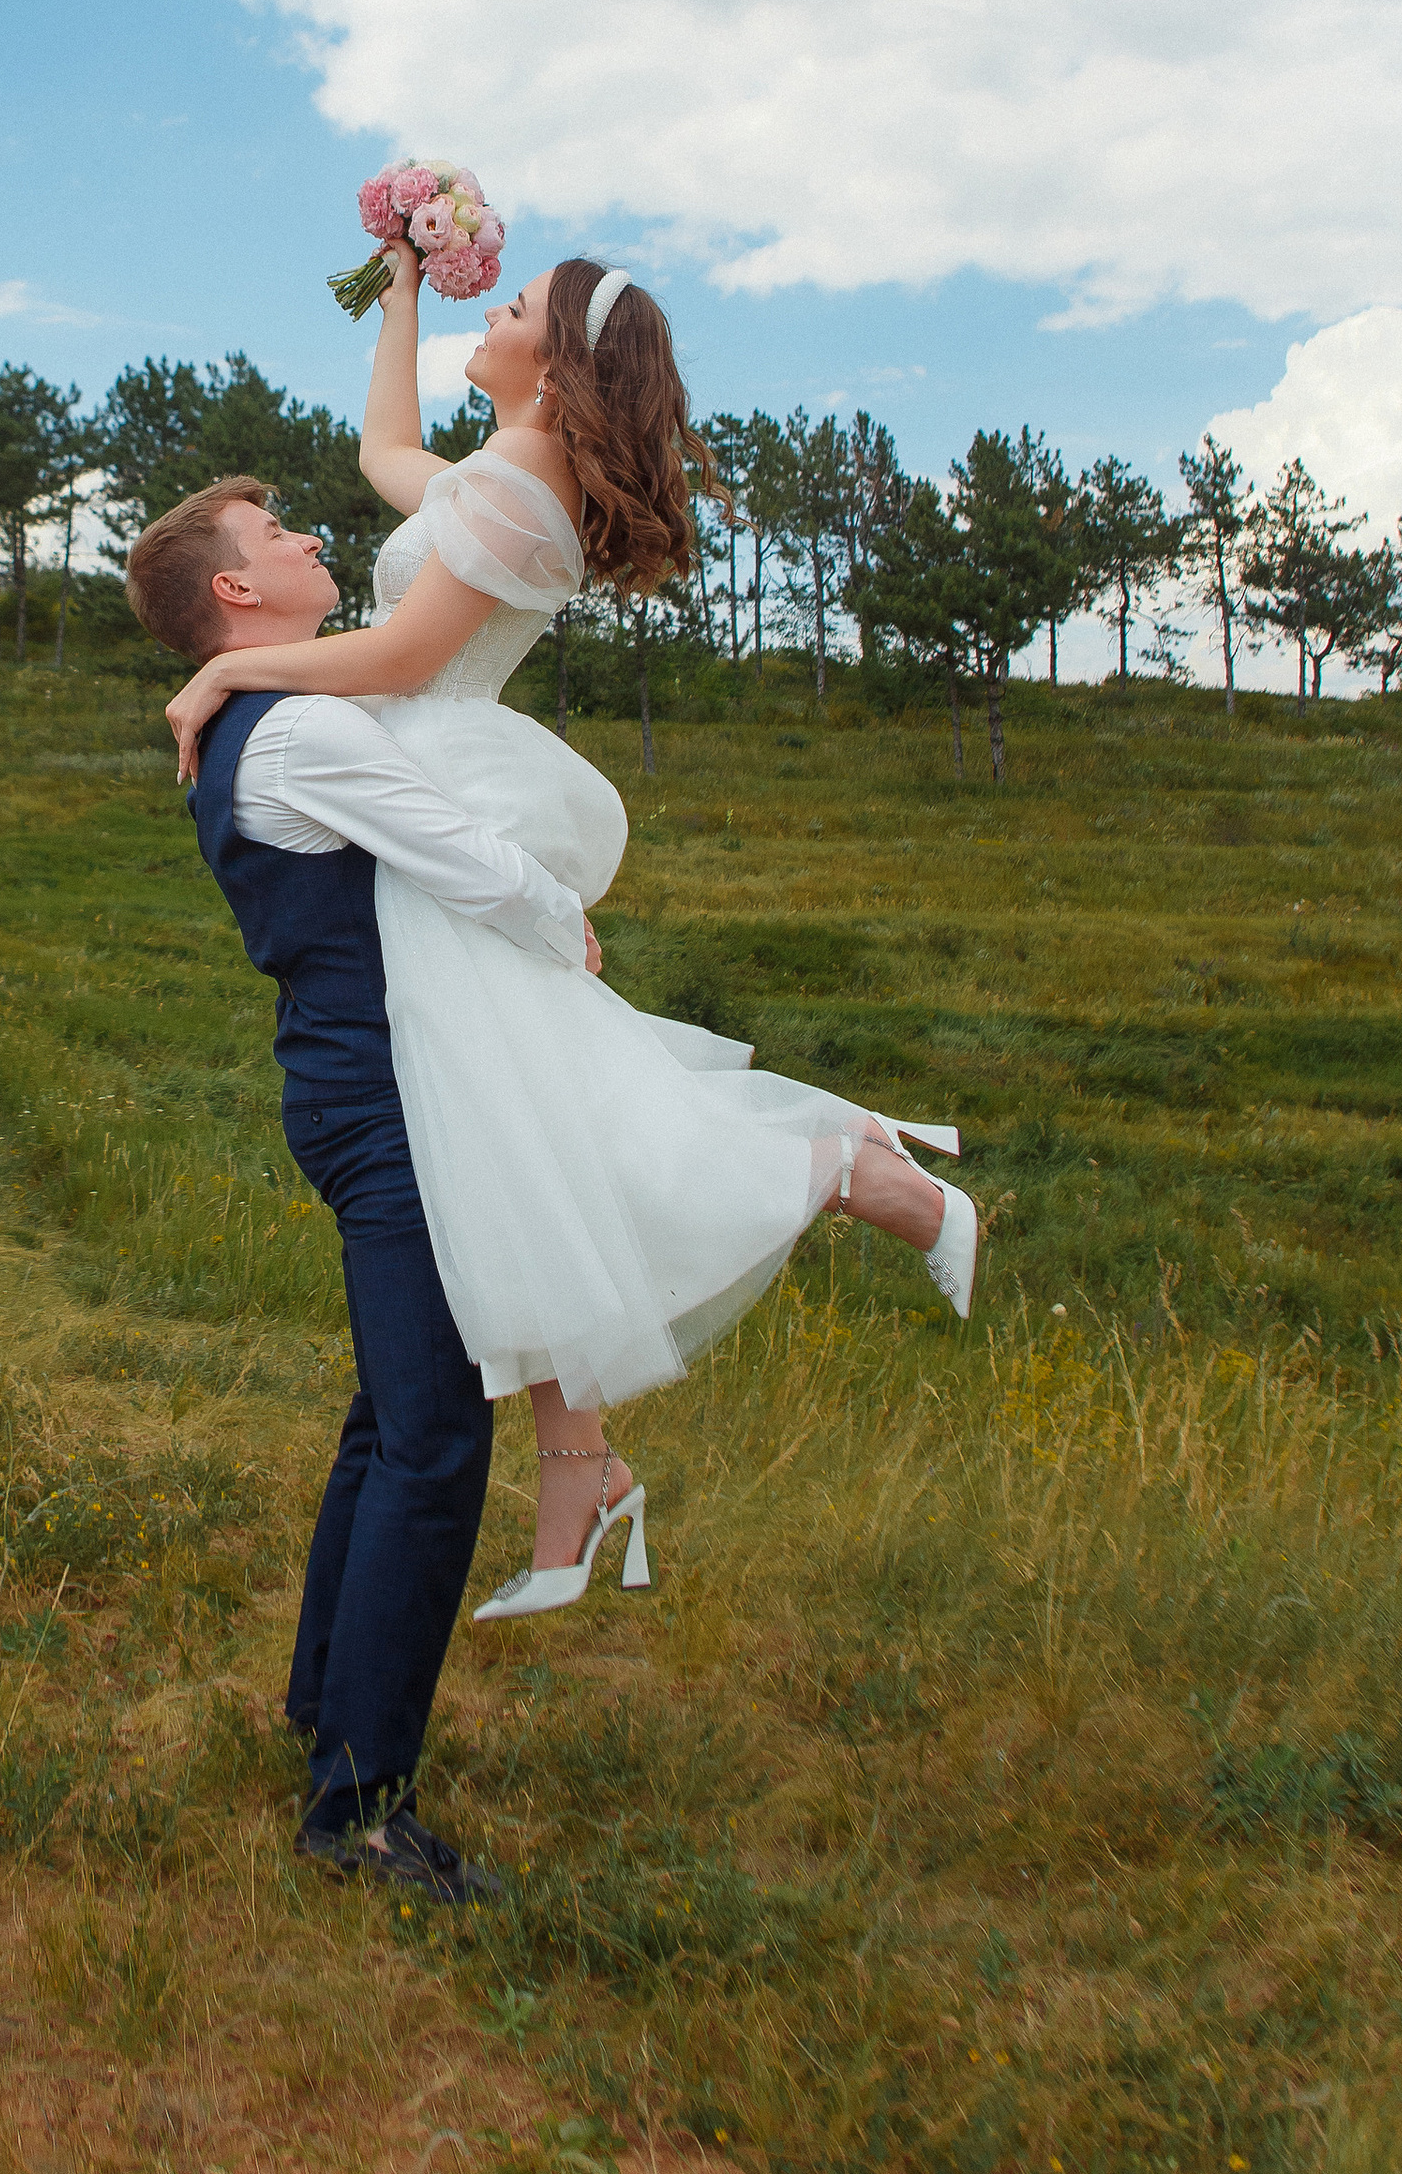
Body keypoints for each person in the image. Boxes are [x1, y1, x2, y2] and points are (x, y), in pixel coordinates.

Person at [161, 237, 976, 1621]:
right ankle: (577, 1471)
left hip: (440, 772)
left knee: (539, 1119)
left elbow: (412, 660)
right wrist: (400, 288)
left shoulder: (522, 483)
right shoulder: (502, 476)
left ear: (559, 365)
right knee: (515, 1127)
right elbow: (380, 448)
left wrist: (228, 676)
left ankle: (850, 1166)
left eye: (515, 304)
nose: (496, 307)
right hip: (419, 773)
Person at [126, 475, 599, 1905]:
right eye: (279, 539)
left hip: (346, 1094)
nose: (312, 541)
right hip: (388, 1109)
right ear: (235, 593)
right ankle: (362, 1812)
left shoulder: (261, 718)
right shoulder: (307, 733)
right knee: (436, 1445)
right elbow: (469, 864)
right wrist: (568, 925)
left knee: (388, 1420)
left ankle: (321, 1707)